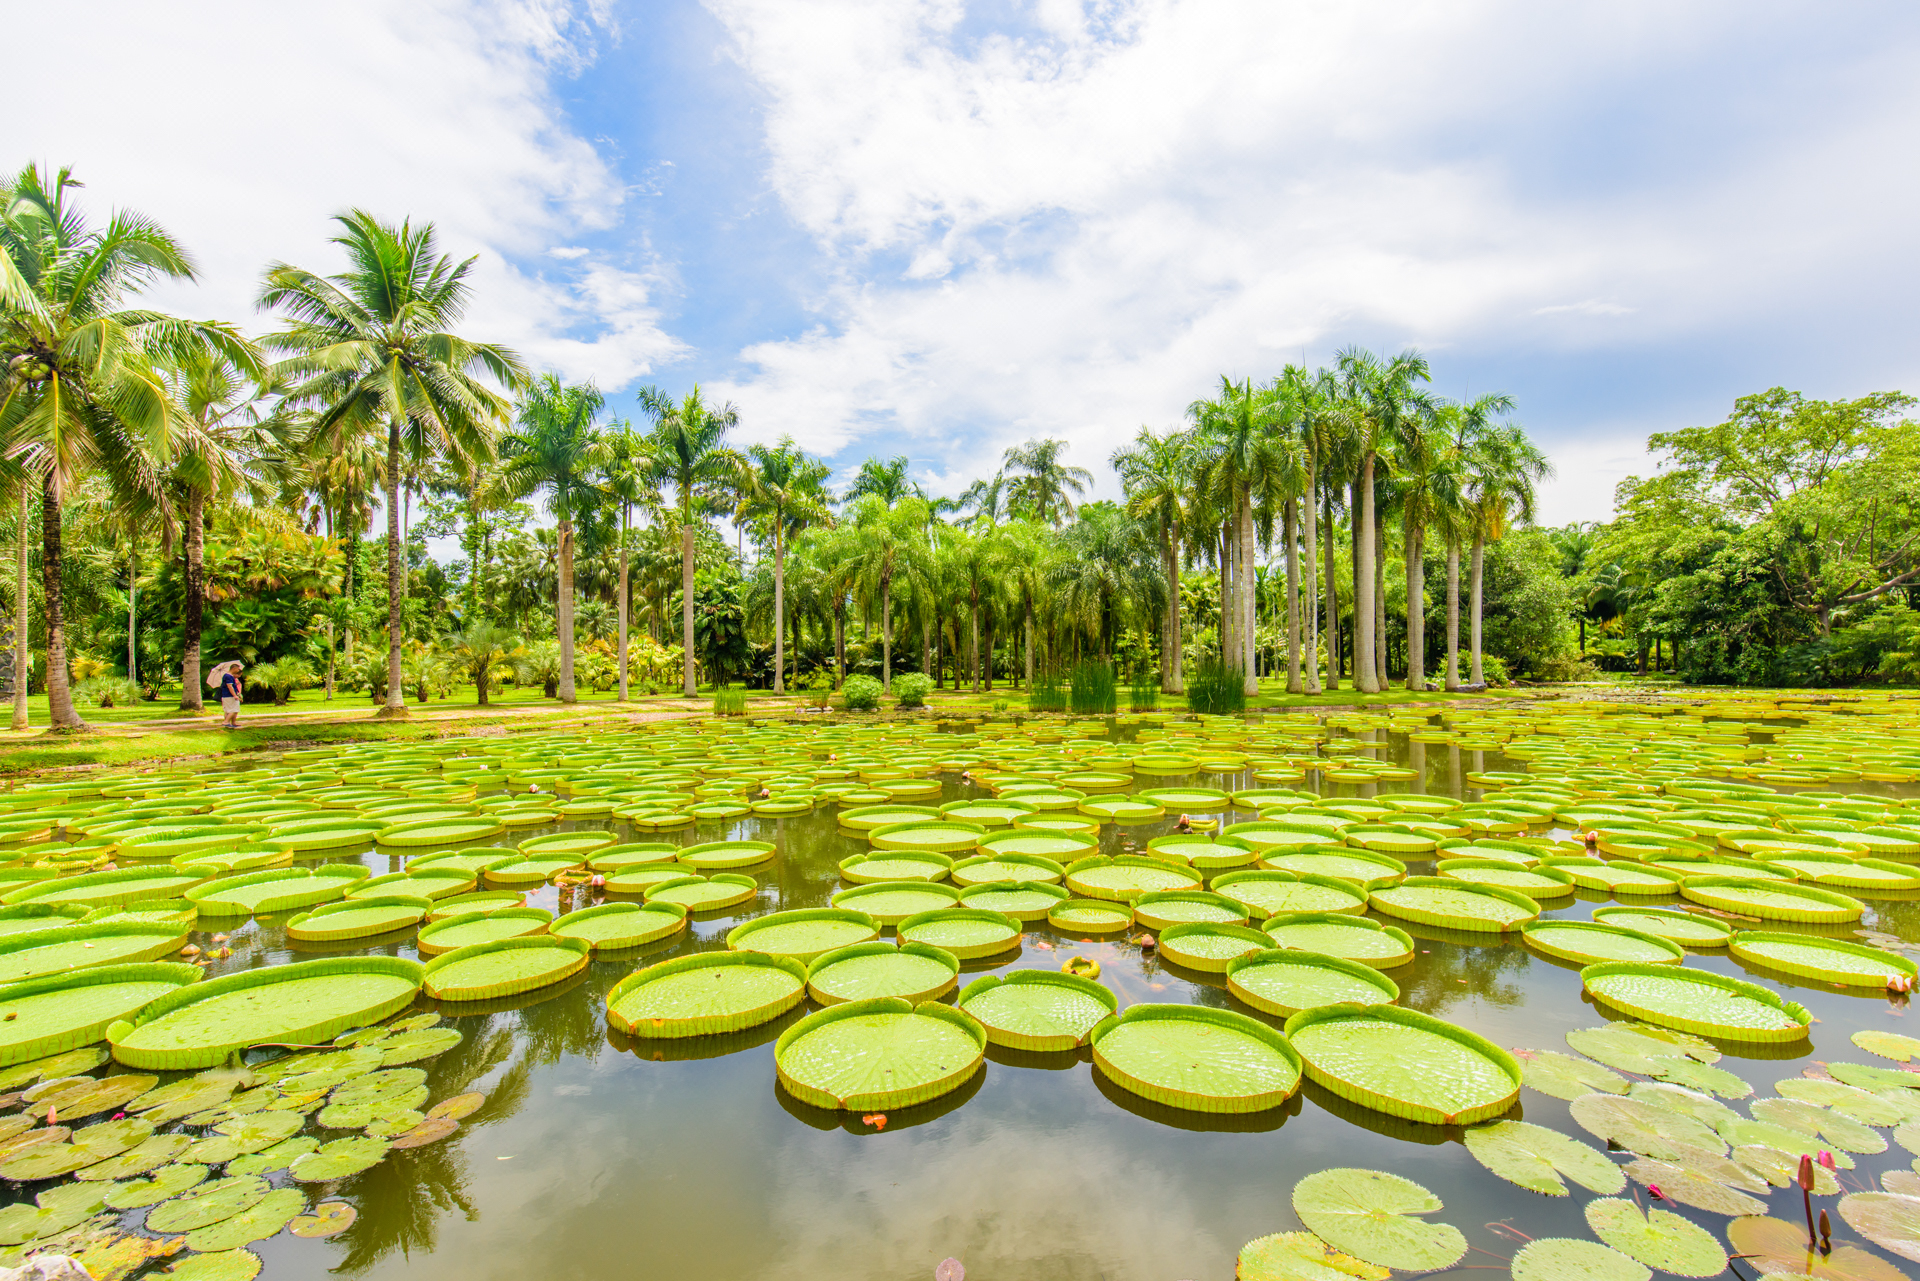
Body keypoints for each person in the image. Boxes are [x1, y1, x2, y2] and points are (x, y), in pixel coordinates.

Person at [212, 662, 245, 729]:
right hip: (229, 695)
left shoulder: (229, 676)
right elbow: (230, 686)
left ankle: (232, 722)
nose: (238, 670)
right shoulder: (228, 676)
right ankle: (226, 721)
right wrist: (234, 695)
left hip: (226, 695)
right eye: (238, 669)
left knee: (228, 710)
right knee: (234, 709)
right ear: (234, 668)